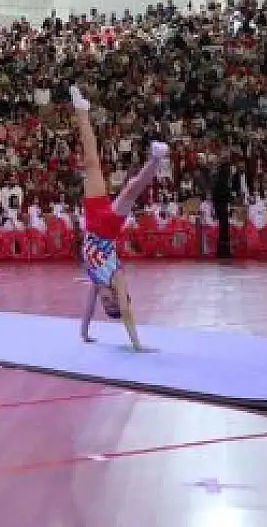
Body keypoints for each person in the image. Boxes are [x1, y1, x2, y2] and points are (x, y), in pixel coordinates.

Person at [70, 85, 169, 351]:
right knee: (130, 191)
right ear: (117, 295)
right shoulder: (116, 278)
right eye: (109, 300)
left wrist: (84, 332)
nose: (104, 298)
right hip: (107, 229)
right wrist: (136, 345)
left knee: (91, 162)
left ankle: (82, 110)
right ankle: (156, 158)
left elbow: (87, 308)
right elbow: (126, 310)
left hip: (92, 219)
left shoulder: (95, 280)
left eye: (105, 302)